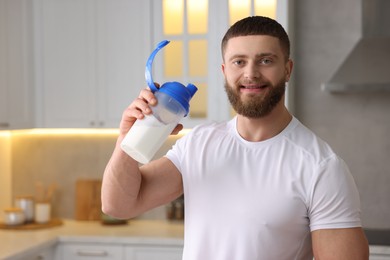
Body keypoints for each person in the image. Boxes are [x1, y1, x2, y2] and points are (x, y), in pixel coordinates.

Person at [102, 16, 369, 259]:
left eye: (265, 60)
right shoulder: (200, 144)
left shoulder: (320, 167)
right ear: (224, 71)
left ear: (287, 69)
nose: (250, 73)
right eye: (239, 61)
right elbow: (118, 205)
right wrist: (126, 140)